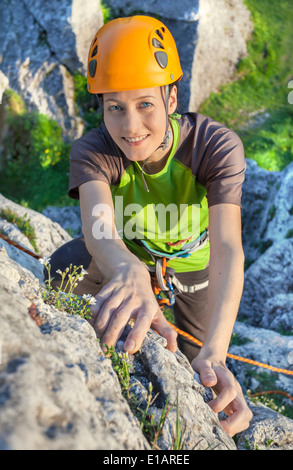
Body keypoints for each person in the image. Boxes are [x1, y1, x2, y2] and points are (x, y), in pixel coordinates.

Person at [46, 15, 253, 436]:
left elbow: (229, 247)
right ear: (101, 108)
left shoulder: (213, 146)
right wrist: (127, 269)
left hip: (194, 270)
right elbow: (99, 228)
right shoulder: (94, 151)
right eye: (114, 108)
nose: (130, 127)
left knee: (201, 369)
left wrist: (216, 351)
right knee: (63, 268)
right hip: (125, 258)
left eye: (145, 105)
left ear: (171, 99)